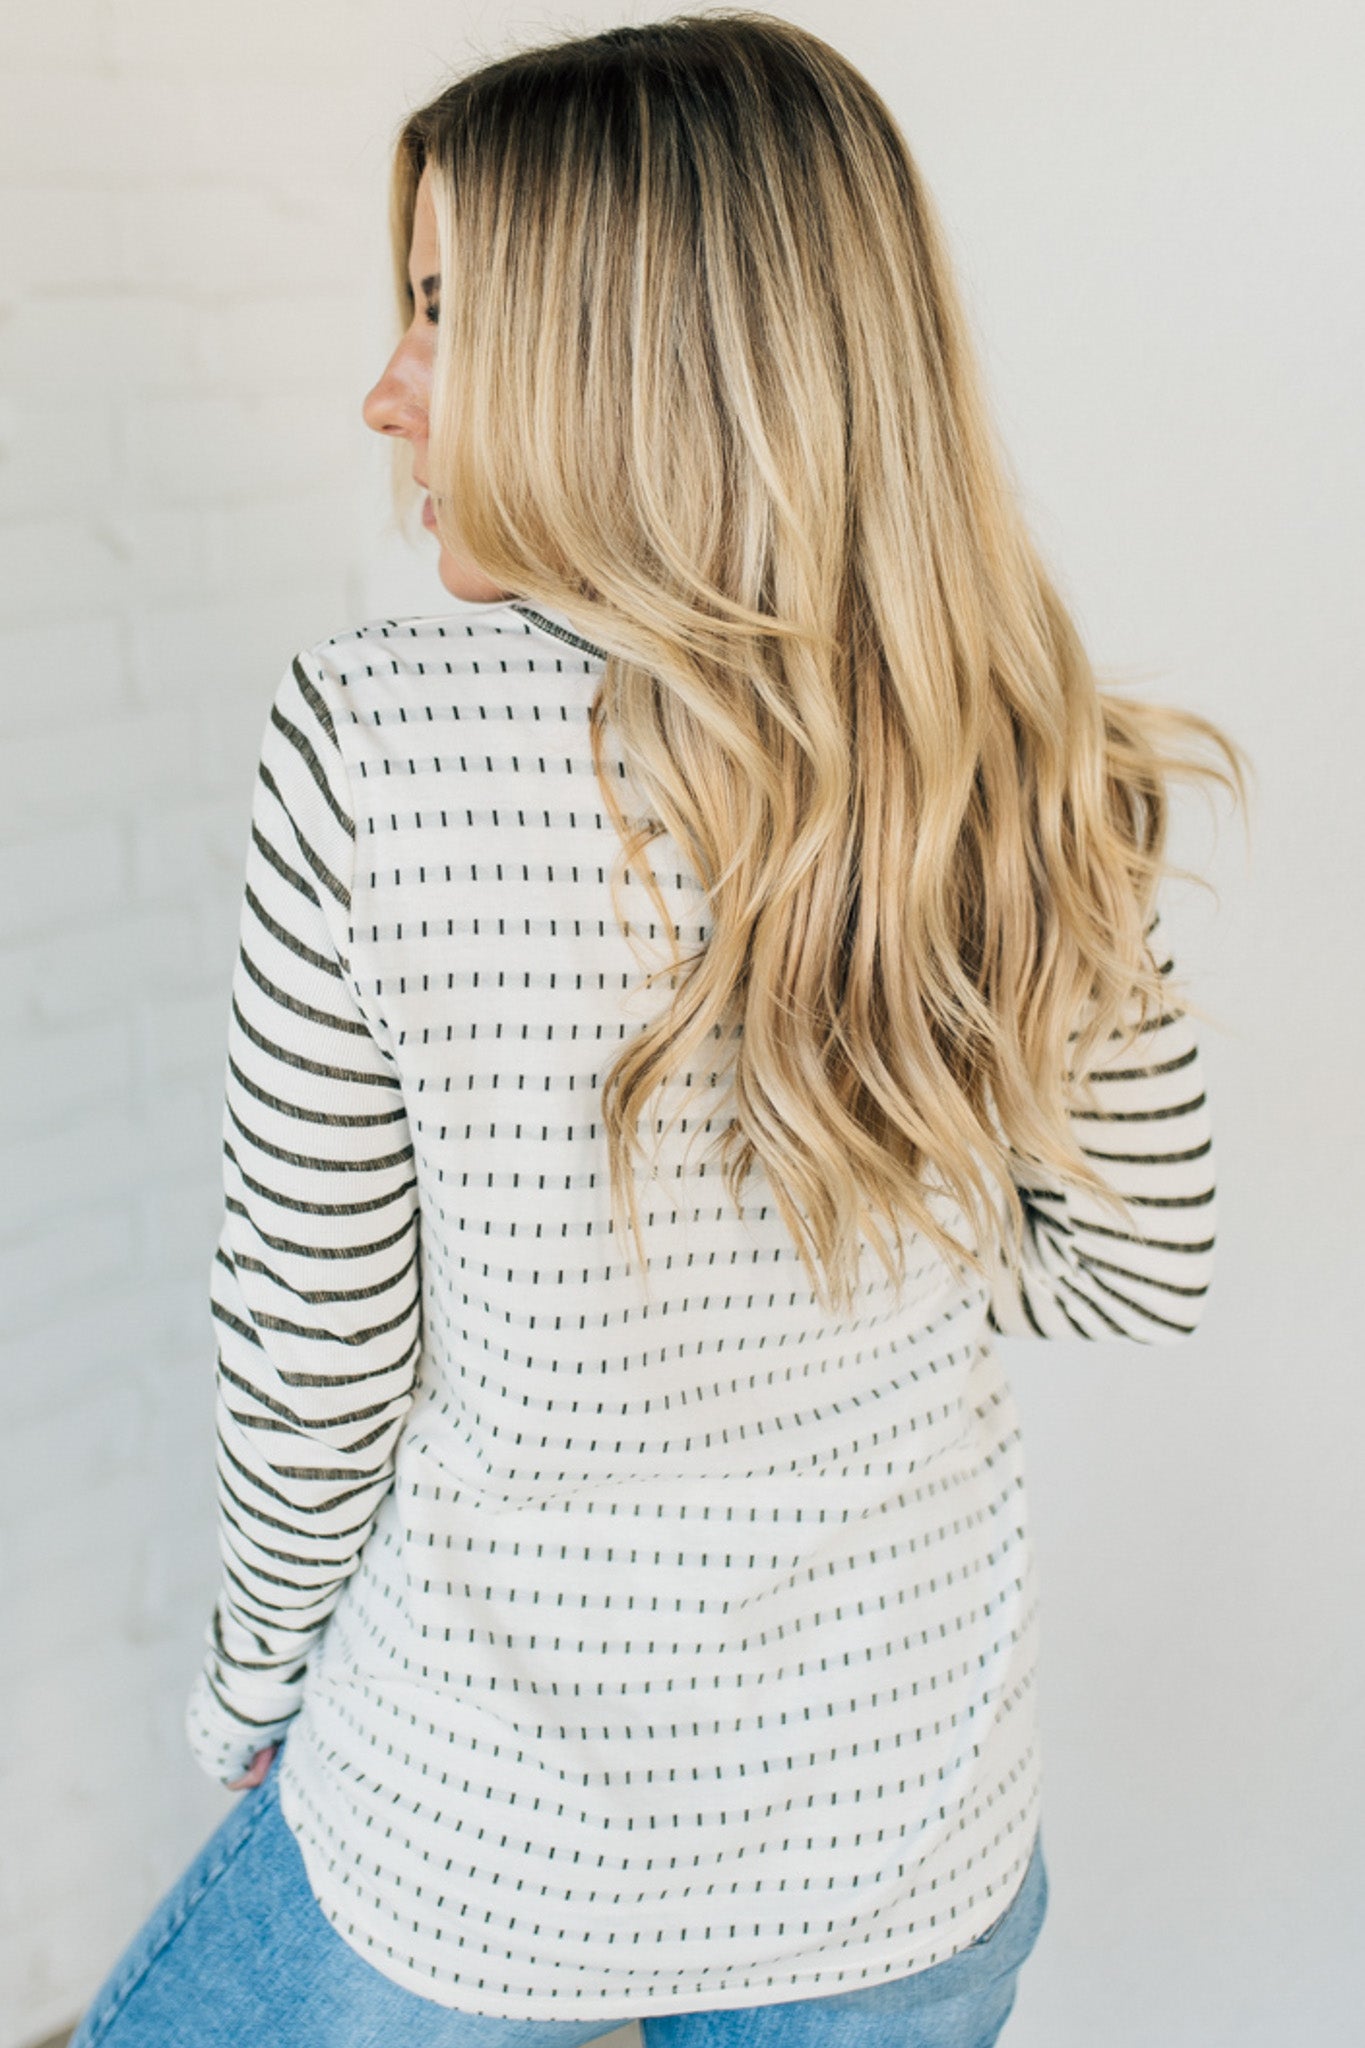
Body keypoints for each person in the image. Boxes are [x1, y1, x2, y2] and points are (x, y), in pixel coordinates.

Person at [67, 11, 1249, 2046]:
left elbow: (317, 1344)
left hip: (471, 1845)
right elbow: (1142, 1257)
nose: (383, 389)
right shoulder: (1019, 754)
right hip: (905, 1839)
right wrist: (847, 1214)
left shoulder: (375, 739)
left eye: (441, 310)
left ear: (627, 361)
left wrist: (253, 1685)